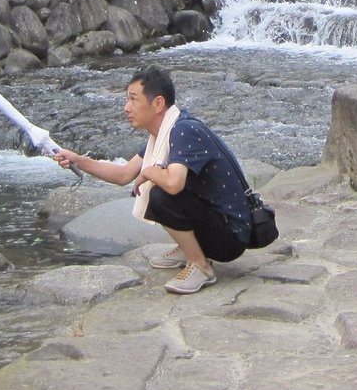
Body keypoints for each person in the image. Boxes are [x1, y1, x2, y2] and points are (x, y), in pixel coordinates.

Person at [53, 65, 252, 295]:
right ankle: (189, 247)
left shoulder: (183, 130)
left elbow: (174, 183)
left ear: (158, 104)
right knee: (159, 186)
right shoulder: (161, 134)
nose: (126, 108)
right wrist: (79, 160)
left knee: (160, 194)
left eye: (133, 99)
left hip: (232, 235)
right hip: (219, 225)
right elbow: (124, 174)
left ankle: (200, 265)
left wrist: (148, 173)